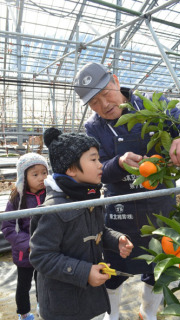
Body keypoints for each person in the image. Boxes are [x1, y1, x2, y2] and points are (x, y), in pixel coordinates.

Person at [74, 62, 180, 320]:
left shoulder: (153, 106)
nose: (104, 105)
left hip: (159, 205)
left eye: (105, 93)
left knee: (157, 265)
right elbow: (96, 172)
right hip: (119, 209)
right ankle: (113, 315)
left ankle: (147, 313)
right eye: (94, 102)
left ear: (116, 80)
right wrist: (117, 164)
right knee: (113, 268)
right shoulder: (93, 128)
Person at [29, 127, 133, 320]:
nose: (101, 165)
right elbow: (41, 256)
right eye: (93, 159)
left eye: (99, 159)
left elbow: (98, 230)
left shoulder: (89, 196)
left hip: (87, 298)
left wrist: (115, 240)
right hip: (63, 305)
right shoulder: (54, 209)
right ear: (70, 168)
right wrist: (84, 272)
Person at [1, 152, 48, 320]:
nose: (41, 177)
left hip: (46, 250)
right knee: (24, 285)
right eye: (35, 174)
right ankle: (24, 313)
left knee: (44, 282)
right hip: (25, 253)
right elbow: (8, 227)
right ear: (23, 177)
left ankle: (43, 305)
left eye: (44, 172)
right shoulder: (17, 199)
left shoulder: (49, 195)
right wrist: (27, 244)